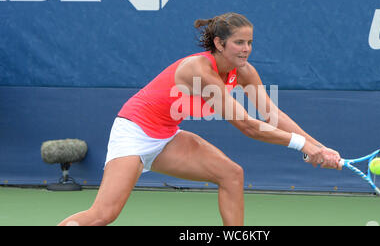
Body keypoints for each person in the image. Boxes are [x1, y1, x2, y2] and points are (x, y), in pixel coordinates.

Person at [58, 12, 341, 226]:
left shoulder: (243, 71)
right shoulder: (199, 70)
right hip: (133, 131)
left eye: (250, 43)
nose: (246, 49)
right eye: (239, 43)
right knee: (103, 215)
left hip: (166, 135)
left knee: (231, 174)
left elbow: (271, 114)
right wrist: (303, 146)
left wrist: (320, 147)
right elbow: (247, 125)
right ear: (219, 43)